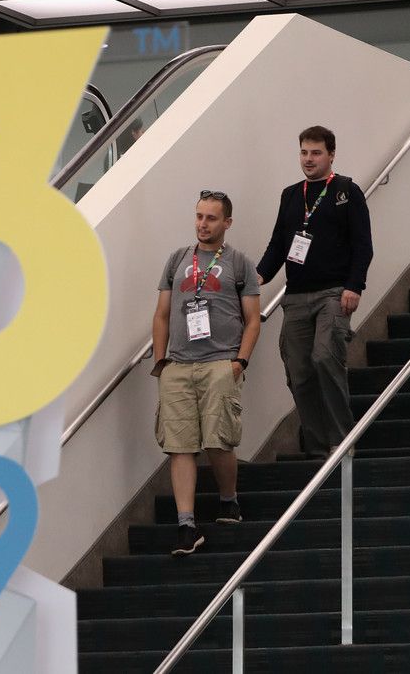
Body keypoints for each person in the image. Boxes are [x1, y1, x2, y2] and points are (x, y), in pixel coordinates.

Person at [152, 190, 261, 556]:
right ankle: (186, 525)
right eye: (199, 216)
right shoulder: (177, 259)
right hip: (178, 365)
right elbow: (162, 314)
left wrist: (240, 361)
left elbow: (252, 320)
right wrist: (160, 361)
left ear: (227, 222)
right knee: (179, 446)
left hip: (220, 362)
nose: (203, 224)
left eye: (211, 218)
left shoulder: (239, 264)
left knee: (218, 439)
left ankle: (228, 500)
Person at [256, 126, 373, 458]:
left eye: (316, 153)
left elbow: (363, 246)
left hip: (334, 294)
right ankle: (318, 446)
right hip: (295, 298)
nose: (309, 159)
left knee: (324, 357)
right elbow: (278, 245)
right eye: (304, 152)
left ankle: (342, 439)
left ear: (331, 155)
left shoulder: (347, 191)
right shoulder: (291, 195)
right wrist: (257, 277)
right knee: (298, 372)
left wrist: (354, 286)